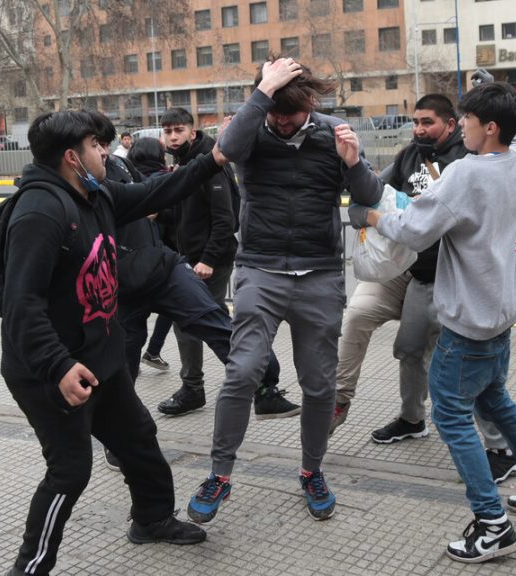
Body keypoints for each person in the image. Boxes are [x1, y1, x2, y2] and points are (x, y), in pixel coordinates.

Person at [352, 81, 516, 564]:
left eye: (469, 120)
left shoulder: (466, 174)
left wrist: (371, 215)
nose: (462, 127)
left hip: (468, 317)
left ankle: (492, 524)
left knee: (451, 414)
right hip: (500, 310)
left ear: (488, 127)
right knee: (495, 397)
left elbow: (413, 228)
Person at [0, 110, 220, 575]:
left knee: (138, 438)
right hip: (52, 372)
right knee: (70, 470)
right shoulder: (41, 211)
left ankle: (152, 519)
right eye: (95, 145)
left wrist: (215, 157)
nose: (105, 150)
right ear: (71, 157)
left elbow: (160, 190)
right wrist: (58, 366)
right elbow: (22, 305)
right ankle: (28, 568)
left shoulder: (95, 196)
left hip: (100, 358)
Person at [185, 56, 383, 525]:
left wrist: (353, 164)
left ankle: (312, 470)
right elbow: (225, 149)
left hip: (318, 273)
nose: (280, 120)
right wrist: (262, 92)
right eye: (274, 110)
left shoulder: (334, 132)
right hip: (261, 269)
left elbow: (371, 195)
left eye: (289, 114)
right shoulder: (251, 126)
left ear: (310, 104)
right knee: (242, 372)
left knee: (318, 384)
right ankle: (220, 474)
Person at [335, 93, 516, 484]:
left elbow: (414, 227)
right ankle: (389, 412)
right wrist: (352, 166)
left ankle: (497, 454)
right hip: (406, 269)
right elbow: (376, 187)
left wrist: (372, 216)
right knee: (382, 332)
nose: (419, 129)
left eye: (428, 122)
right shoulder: (409, 155)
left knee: (460, 374)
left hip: (447, 278)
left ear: (454, 124)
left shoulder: (467, 166)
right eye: (415, 121)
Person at [158, 107, 300, 419]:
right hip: (189, 260)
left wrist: (207, 260)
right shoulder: (183, 163)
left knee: (201, 325)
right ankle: (261, 384)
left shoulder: (209, 163)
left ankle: (237, 386)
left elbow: (225, 218)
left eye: (178, 130)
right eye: (167, 131)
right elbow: (185, 216)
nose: (172, 136)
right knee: (215, 324)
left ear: (192, 133)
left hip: (209, 262)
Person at [127, 137, 174, 371]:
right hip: (159, 257)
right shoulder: (162, 180)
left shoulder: (128, 181)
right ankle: (153, 350)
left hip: (132, 263)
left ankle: (135, 363)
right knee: (172, 307)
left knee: (133, 324)